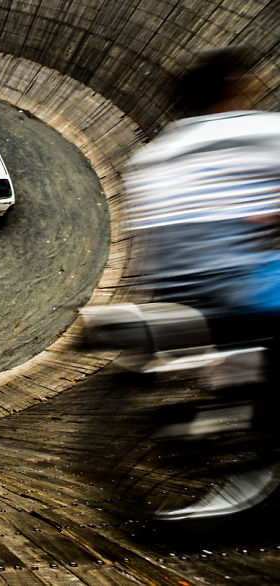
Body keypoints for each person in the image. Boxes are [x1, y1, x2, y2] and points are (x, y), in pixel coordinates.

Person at [122, 46, 280, 521]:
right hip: (242, 291)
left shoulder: (151, 156)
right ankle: (259, 463)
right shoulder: (262, 130)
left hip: (176, 296)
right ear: (234, 90)